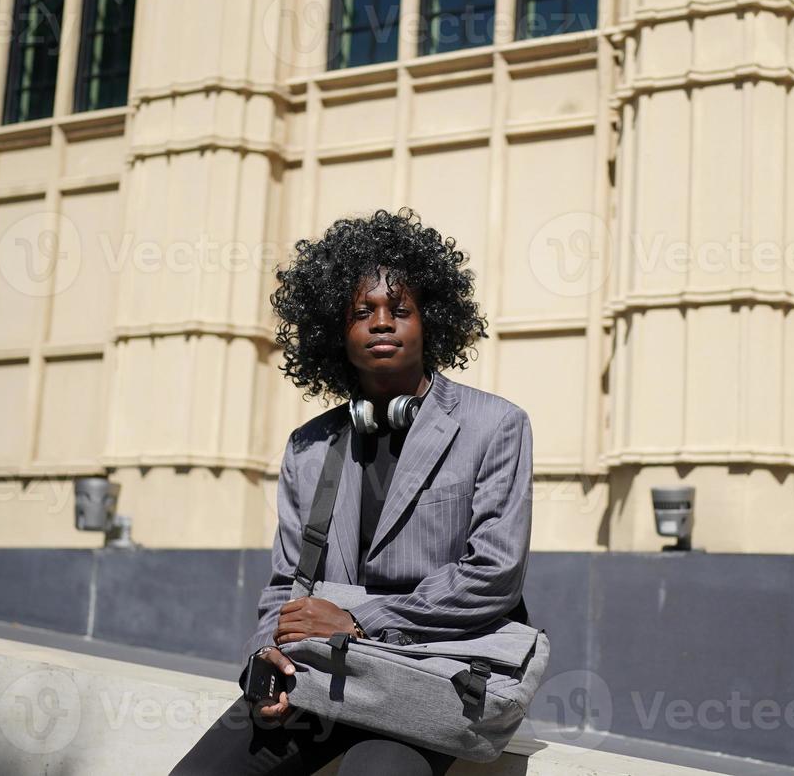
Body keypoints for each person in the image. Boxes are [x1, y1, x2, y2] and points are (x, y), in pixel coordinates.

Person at [170, 208, 535, 776]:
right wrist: (263, 656)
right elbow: (288, 583)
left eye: (401, 310)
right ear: (336, 333)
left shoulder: (495, 425)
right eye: (363, 312)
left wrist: (357, 620)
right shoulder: (310, 446)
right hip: (318, 672)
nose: (382, 323)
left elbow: (493, 574)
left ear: (430, 321)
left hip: (430, 672)